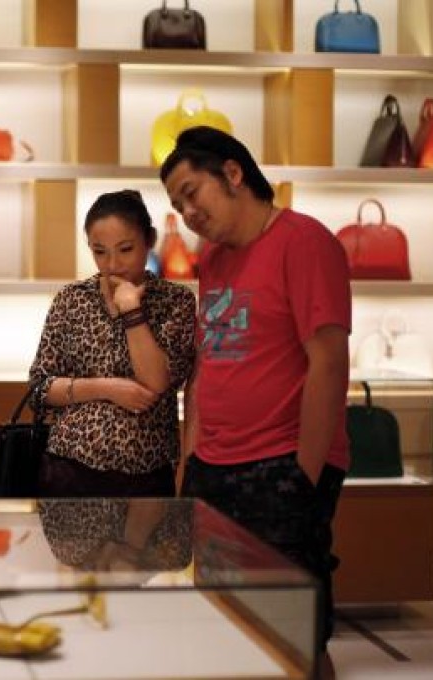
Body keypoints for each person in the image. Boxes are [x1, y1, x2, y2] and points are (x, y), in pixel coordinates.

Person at [159, 126, 351, 676]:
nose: (187, 211)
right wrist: (189, 459)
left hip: (280, 465)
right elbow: (207, 362)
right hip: (213, 466)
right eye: (176, 204)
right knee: (222, 625)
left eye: (192, 192)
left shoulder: (304, 240)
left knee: (295, 633)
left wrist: (303, 479)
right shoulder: (213, 258)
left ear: (233, 173)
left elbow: (329, 363)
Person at [28, 189, 197, 498]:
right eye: (100, 251)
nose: (113, 264)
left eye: (125, 249)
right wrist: (109, 388)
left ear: (149, 241)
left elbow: (158, 381)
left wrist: (132, 311)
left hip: (147, 472)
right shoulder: (71, 299)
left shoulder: (176, 300)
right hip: (69, 467)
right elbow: (39, 388)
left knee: (144, 550)